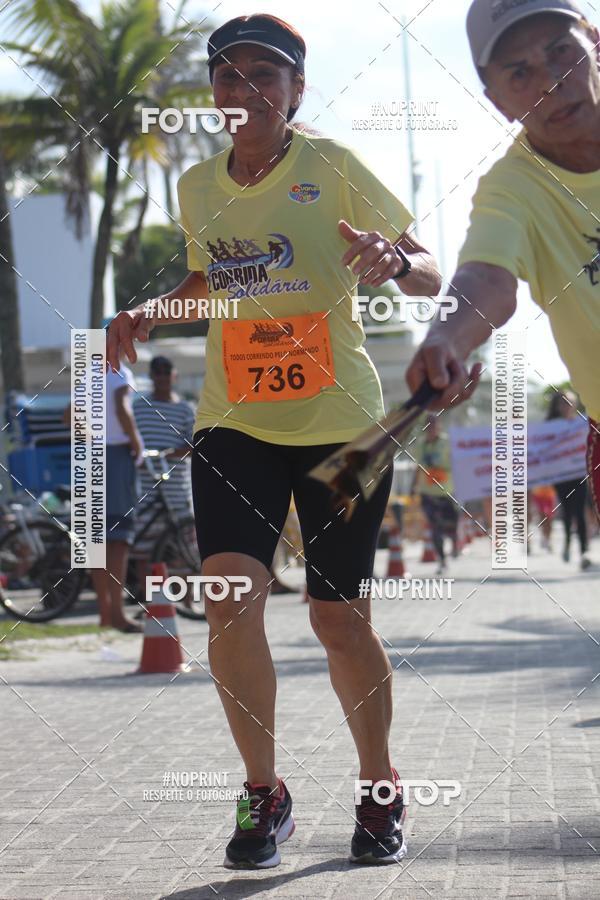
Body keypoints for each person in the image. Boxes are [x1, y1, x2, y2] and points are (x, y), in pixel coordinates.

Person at [107, 13, 441, 868]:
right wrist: (153, 309)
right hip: (236, 418)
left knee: (338, 619)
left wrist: (392, 263)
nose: (243, 90)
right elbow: (205, 283)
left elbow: (429, 265)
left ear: (296, 91)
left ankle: (378, 785)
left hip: (346, 430)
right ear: (211, 94)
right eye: (227, 75)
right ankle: (265, 792)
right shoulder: (196, 187)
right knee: (227, 601)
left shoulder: (331, 165)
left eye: (265, 75)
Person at [406, 0, 600, 537]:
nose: (551, 81)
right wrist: (446, 339)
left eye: (561, 51)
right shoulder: (512, 189)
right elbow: (486, 278)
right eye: (520, 72)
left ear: (595, 42)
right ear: (496, 101)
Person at [132, 356, 195, 573]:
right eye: (157, 372)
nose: (162, 377)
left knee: (184, 550)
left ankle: (186, 602)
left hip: (178, 491)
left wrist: (172, 454)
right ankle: (150, 602)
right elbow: (130, 441)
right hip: (146, 490)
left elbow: (196, 447)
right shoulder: (138, 408)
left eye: (166, 372)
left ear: (174, 375)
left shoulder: (186, 410)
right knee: (144, 552)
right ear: (151, 376)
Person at [546, 390, 591, 567]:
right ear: (558, 406)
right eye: (562, 403)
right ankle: (567, 543)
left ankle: (584, 550)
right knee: (566, 511)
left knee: (580, 512)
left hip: (579, 475)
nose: (566, 406)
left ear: (574, 404)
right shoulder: (550, 426)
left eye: (569, 402)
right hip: (560, 477)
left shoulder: (582, 423)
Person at [413, 415, 459, 573]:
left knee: (452, 524)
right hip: (427, 492)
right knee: (435, 527)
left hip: (447, 491)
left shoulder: (447, 443)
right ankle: (442, 559)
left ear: (439, 426)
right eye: (428, 424)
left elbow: (457, 463)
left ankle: (454, 544)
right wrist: (413, 488)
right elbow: (418, 467)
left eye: (433, 424)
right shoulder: (420, 445)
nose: (431, 428)